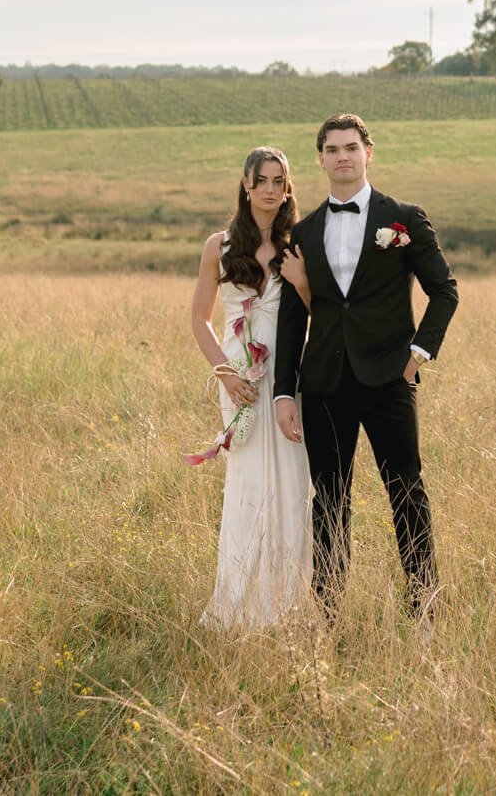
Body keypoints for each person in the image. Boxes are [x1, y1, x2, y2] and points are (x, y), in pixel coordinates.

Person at [273, 113, 458, 624]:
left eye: (351, 147)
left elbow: (444, 291)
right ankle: (327, 615)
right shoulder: (304, 233)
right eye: (331, 149)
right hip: (325, 384)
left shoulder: (404, 219)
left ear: (368, 152)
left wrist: (418, 353)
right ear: (321, 159)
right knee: (329, 501)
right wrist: (283, 392)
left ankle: (425, 610)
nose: (342, 157)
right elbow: (292, 320)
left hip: (389, 380)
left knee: (407, 492)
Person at [186, 146, 313, 628]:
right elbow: (199, 320)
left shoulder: (298, 244)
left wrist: (301, 283)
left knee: (292, 479)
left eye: (278, 181)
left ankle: (287, 604)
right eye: (260, 179)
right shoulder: (217, 246)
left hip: (288, 375)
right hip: (239, 373)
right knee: (248, 481)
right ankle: (238, 600)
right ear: (245, 184)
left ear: (287, 188)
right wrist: (226, 374)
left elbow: (320, 312)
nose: (268, 189)